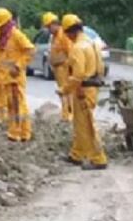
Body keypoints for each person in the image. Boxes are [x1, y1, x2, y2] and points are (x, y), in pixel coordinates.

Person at [61, 14, 107, 170]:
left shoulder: (77, 48)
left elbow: (78, 75)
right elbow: (100, 67)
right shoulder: (91, 43)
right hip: (91, 87)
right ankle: (77, 154)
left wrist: (65, 89)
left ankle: (99, 159)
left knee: (87, 125)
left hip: (83, 89)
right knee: (80, 125)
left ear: (70, 32)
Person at [0, 7, 35, 142]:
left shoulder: (16, 35)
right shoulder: (3, 38)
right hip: (7, 78)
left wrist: (18, 65)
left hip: (16, 78)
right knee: (12, 106)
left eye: (2, 26)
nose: (0, 29)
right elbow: (1, 58)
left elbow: (30, 50)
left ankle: (24, 132)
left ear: (7, 23)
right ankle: (14, 132)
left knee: (19, 106)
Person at [43, 11, 73, 122]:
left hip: (64, 68)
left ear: (55, 24)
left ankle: (69, 115)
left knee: (67, 92)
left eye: (49, 26)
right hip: (59, 70)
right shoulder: (55, 37)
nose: (48, 29)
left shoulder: (62, 35)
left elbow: (70, 52)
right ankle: (65, 114)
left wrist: (70, 67)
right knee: (62, 92)